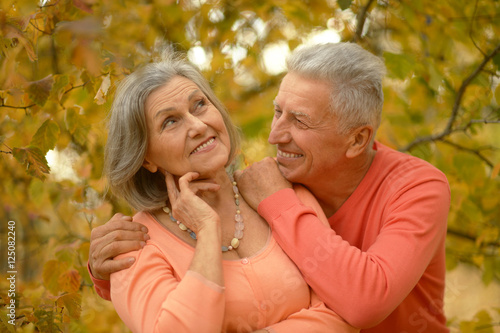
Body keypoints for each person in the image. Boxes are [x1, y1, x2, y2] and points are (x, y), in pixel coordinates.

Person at [89, 43, 450, 332]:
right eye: (278, 112)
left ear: (356, 140)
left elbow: (349, 309)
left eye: (300, 121)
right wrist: (111, 276)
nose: (275, 136)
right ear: (145, 157)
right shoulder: (137, 240)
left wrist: (278, 202)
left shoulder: (282, 193)